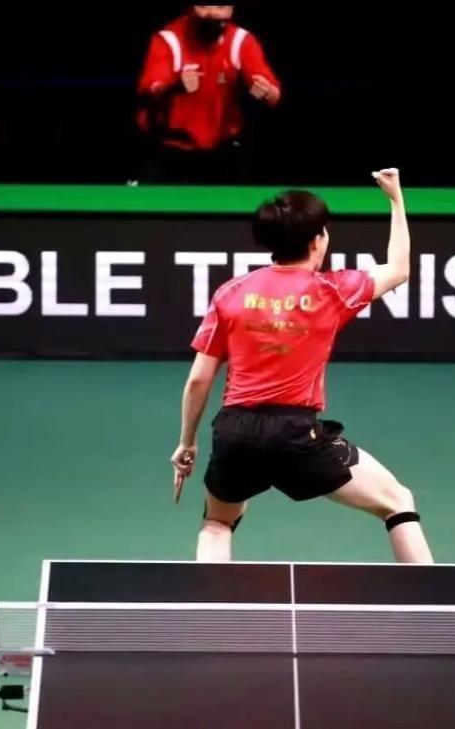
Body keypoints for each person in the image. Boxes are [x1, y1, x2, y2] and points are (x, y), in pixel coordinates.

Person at [170, 168, 434, 564]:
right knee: (397, 501)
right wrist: (396, 200)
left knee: (217, 523)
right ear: (317, 240)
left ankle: (209, 601)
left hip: (235, 433)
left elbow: (198, 380)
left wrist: (187, 443)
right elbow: (399, 269)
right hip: (296, 434)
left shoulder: (231, 292)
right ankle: (430, 598)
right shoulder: (332, 290)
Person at [135, 5, 281, 182]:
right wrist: (175, 86)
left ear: (231, 10)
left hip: (222, 150)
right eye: (204, 6)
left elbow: (273, 93)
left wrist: (267, 92)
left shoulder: (241, 41)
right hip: (168, 149)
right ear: (191, 8)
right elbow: (152, 87)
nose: (212, 14)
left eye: (220, 7)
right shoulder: (169, 39)